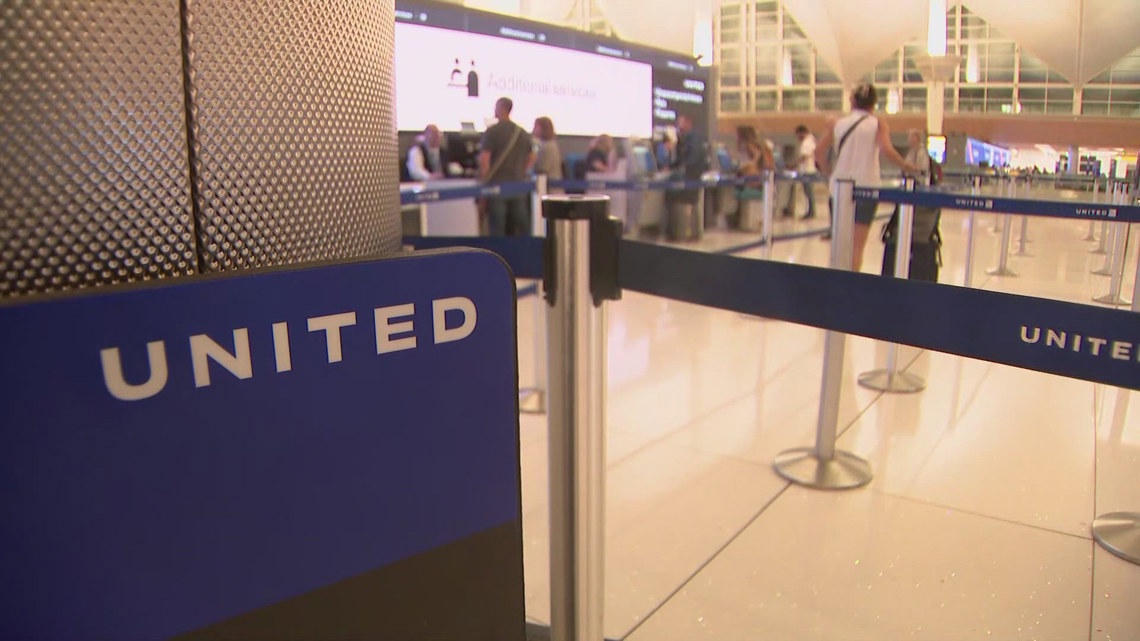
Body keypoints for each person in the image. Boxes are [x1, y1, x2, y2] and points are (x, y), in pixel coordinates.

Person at [814, 83, 918, 271]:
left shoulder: (837, 124)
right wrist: (906, 166)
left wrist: (829, 173)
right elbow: (887, 150)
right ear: (874, 103)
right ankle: (852, 283)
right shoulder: (878, 124)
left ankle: (835, 280)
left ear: (852, 101)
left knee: (839, 243)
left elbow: (818, 152)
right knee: (857, 247)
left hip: (839, 188)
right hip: (866, 188)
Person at [479, 97, 535, 236]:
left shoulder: (492, 132)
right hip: (518, 185)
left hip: (497, 186)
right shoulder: (521, 132)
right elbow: (532, 156)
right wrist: (522, 170)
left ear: (501, 108)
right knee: (520, 226)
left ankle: (497, 250)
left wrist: (483, 181)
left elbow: (485, 161)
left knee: (497, 228)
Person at [789, 124, 818, 219]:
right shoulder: (811, 141)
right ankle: (811, 211)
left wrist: (794, 164)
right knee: (808, 192)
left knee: (809, 192)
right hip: (808, 170)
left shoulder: (807, 143)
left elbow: (804, 156)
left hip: (807, 170)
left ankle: (811, 212)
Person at [532, 116, 563, 193]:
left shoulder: (548, 147)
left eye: (536, 126)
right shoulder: (547, 145)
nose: (533, 129)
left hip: (550, 189)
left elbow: (542, 169)